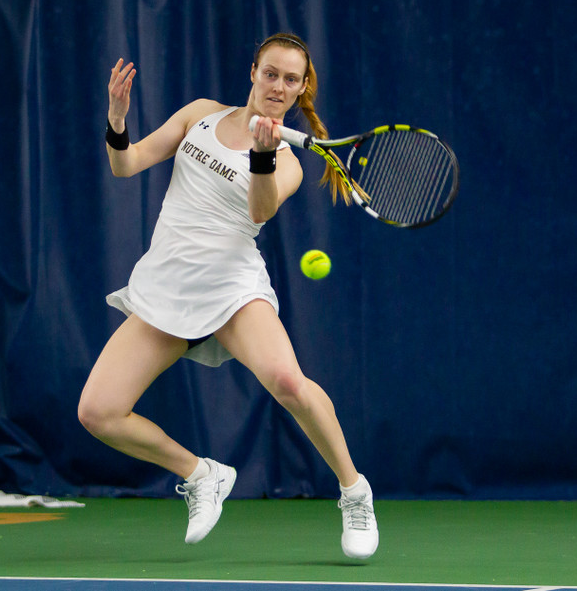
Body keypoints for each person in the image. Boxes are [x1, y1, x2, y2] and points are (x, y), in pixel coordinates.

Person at [77, 32, 378, 560]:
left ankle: (354, 491)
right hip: (168, 286)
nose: (279, 86)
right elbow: (125, 165)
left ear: (302, 87)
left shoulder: (287, 161)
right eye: (271, 73)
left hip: (233, 290)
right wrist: (118, 120)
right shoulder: (200, 114)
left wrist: (262, 155)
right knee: (98, 412)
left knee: (288, 381)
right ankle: (201, 474)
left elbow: (260, 211)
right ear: (254, 72)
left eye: (291, 79)